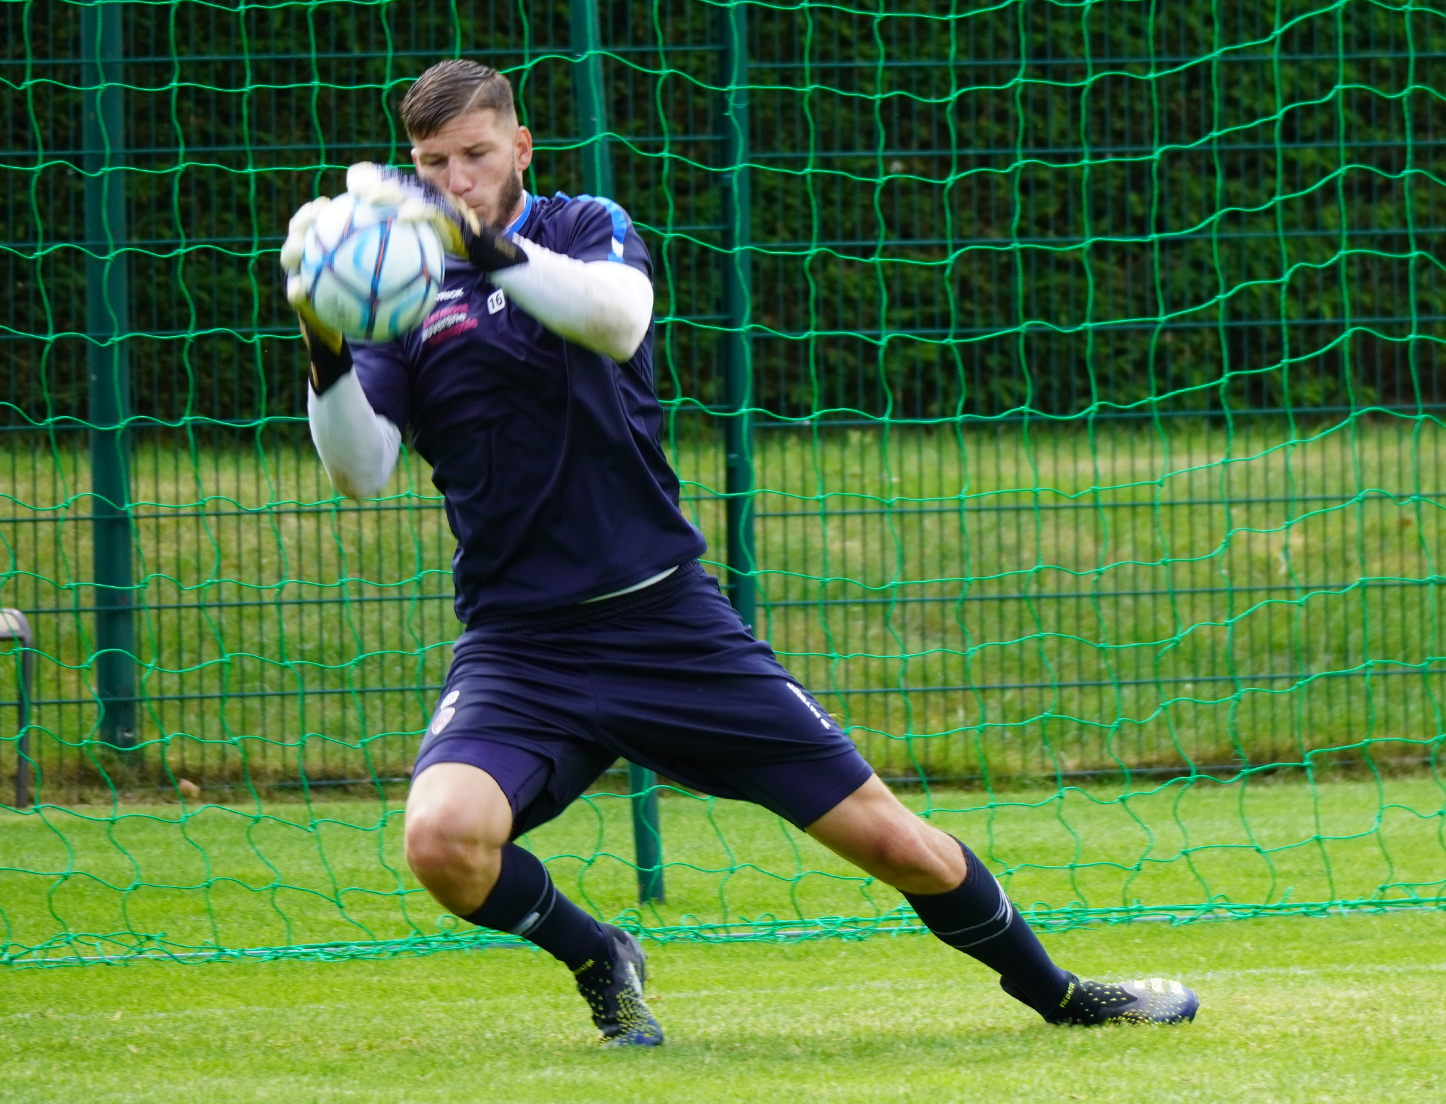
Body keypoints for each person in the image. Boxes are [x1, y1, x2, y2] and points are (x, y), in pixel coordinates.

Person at [280, 59, 1199, 1047]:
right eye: (433, 163)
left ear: (519, 148)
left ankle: (1060, 994)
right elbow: (359, 469)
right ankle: (600, 956)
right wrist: (324, 342)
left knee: (898, 845)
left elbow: (614, 318)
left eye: (476, 154)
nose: (457, 178)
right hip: (522, 647)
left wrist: (487, 246)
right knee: (441, 841)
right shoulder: (409, 293)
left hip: (664, 623)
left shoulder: (583, 228)